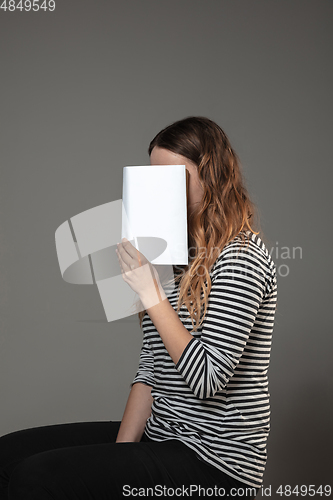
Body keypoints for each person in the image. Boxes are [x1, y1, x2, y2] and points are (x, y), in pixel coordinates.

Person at [0, 116, 277, 499]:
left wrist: (151, 293)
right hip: (162, 436)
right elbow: (152, 365)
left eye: (173, 179)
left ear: (211, 178)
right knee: (7, 456)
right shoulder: (169, 256)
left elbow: (207, 380)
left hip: (216, 463)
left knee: (38, 477)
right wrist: (116, 459)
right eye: (152, 178)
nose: (160, 191)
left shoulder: (241, 256)